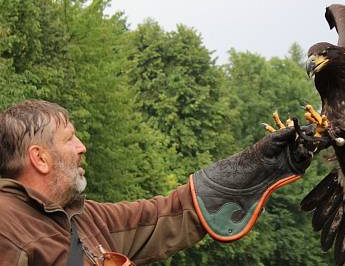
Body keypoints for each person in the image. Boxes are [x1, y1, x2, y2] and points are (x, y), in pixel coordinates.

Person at [0, 100, 318, 265]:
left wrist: (257, 165)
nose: (82, 147)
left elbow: (167, 214)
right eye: (70, 139)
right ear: (40, 158)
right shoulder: (6, 226)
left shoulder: (83, 218)